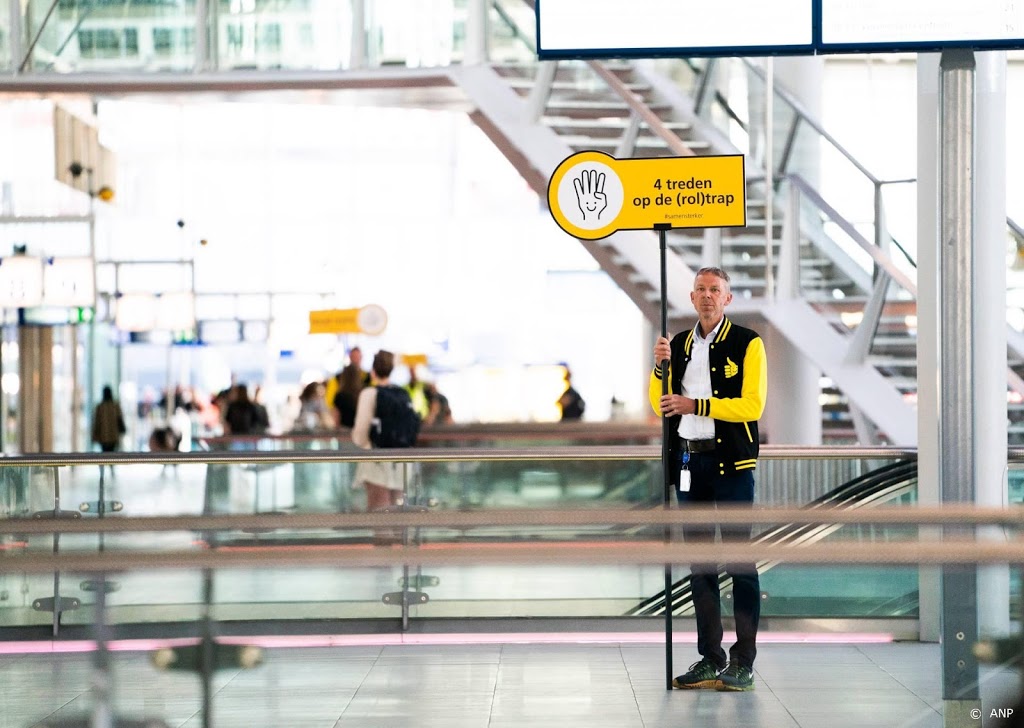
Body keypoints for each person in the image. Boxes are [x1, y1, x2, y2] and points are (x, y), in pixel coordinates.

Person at [650, 266, 767, 692]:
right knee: (700, 565)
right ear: (692, 295)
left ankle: (744, 661)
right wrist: (659, 366)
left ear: (728, 298)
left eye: (715, 290)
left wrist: (693, 403)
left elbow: (750, 406)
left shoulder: (747, 343)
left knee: (740, 563)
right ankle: (709, 657)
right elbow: (661, 403)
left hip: (731, 465)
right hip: (690, 464)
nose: (706, 296)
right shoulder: (679, 344)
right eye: (700, 289)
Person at [350, 351, 409, 514]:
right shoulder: (402, 394)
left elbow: (360, 435)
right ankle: (399, 540)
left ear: (373, 371)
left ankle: (384, 540)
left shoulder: (369, 394)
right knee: (400, 514)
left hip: (375, 461)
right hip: (401, 460)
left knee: (379, 513)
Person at [91, 385, 126, 480]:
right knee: (111, 454)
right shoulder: (115, 405)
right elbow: (120, 419)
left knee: (103, 454)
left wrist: (94, 435)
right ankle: (111, 470)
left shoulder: (100, 407)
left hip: (103, 436)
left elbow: (96, 423)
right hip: (113, 435)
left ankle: (102, 472)